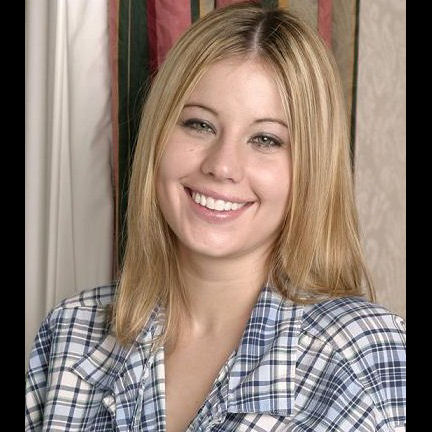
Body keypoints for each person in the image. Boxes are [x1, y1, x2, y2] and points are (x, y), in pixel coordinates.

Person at [25, 2, 406, 431]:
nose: (222, 166)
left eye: (265, 139)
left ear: (311, 169)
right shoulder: (71, 333)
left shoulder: (363, 353)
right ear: (158, 133)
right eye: (200, 125)